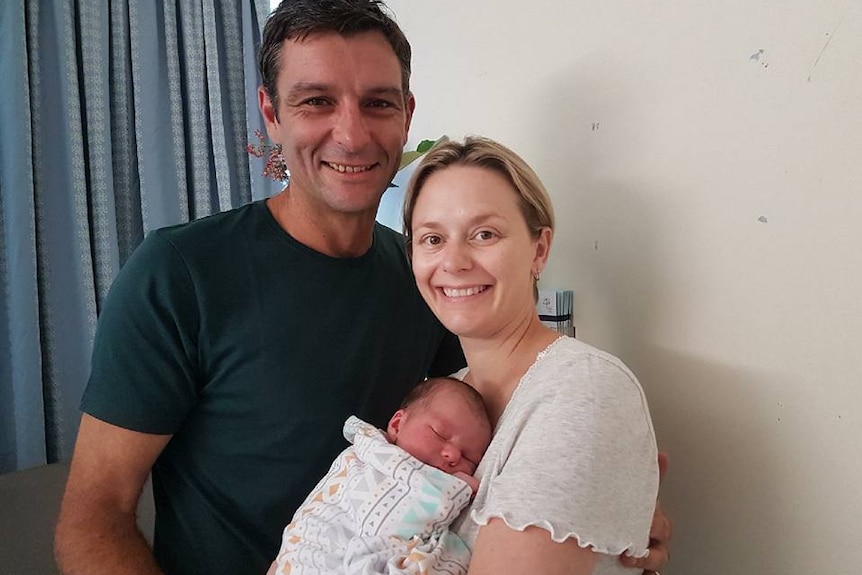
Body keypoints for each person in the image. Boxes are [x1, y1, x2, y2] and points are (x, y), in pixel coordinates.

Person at [54, 1, 671, 574]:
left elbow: (485, 450)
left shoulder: (430, 285)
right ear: (271, 114)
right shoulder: (180, 272)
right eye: (316, 101)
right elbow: (91, 521)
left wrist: (605, 502)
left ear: (406, 114)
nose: (350, 135)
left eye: (377, 103)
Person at [402, 136, 660, 575]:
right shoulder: (449, 397)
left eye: (484, 234)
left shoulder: (584, 389)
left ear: (538, 250)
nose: (454, 261)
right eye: (432, 238)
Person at [269, 377, 491, 575]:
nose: (452, 454)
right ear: (397, 424)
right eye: (440, 434)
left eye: (468, 457)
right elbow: (391, 520)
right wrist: (454, 489)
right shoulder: (376, 457)